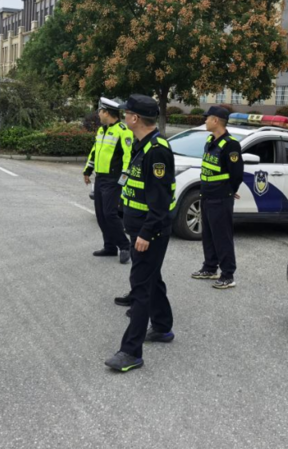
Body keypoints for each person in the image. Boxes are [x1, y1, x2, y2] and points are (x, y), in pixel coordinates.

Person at [104, 94, 176, 373]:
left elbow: (160, 202)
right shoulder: (142, 144)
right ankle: (163, 327)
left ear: (135, 118)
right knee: (151, 278)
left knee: (140, 288)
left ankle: (131, 352)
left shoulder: (157, 151)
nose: (124, 117)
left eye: (126, 114)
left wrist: (145, 233)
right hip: (140, 229)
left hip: (151, 232)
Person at [190, 105, 244, 289]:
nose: (205, 121)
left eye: (207, 118)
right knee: (209, 235)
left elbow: (237, 174)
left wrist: (229, 190)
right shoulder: (210, 140)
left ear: (215, 121)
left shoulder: (231, 145)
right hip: (207, 194)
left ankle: (228, 275)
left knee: (222, 236)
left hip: (220, 197)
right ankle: (210, 267)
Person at [84, 97, 134, 264]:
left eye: (100, 111)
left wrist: (123, 179)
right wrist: (88, 170)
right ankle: (110, 247)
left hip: (113, 179)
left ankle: (125, 246)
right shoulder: (101, 130)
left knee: (110, 214)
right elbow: (94, 151)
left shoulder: (123, 131)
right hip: (100, 178)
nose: (98, 114)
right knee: (100, 215)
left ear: (107, 113)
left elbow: (128, 157)